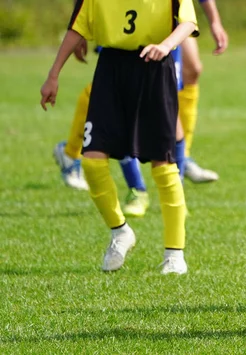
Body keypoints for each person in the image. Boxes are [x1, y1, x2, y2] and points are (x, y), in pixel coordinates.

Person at [40, 0, 198, 274]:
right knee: (91, 161)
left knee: (163, 164)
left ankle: (174, 254)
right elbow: (78, 26)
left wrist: (166, 45)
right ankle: (120, 231)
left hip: (154, 68)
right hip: (110, 71)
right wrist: (54, 74)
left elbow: (188, 23)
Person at [53, 44, 188, 218]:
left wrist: (212, 24)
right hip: (123, 37)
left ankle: (179, 191)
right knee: (124, 112)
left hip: (164, 39)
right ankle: (137, 190)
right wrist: (81, 33)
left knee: (171, 115)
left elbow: (188, 21)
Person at [179, 0, 228, 183]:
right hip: (136, 12)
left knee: (192, 70)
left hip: (173, 12)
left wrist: (215, 22)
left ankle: (182, 156)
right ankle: (84, 158)